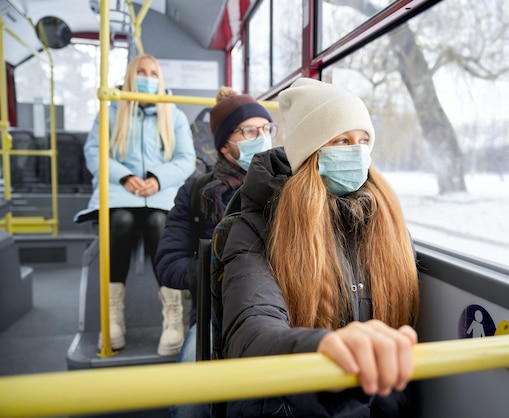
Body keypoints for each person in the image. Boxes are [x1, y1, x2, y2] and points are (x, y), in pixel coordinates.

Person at [220, 77, 420, 417]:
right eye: (342, 140)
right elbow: (251, 329)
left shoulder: (385, 223)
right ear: (310, 153)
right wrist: (324, 350)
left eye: (363, 141)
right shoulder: (256, 227)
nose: (356, 151)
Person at [155, 86, 275, 418]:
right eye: (249, 131)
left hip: (280, 311)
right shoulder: (196, 193)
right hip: (214, 314)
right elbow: (167, 263)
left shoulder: (289, 186)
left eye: (266, 129)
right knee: (192, 401)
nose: (261, 137)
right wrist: (217, 273)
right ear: (225, 144)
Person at [74, 54, 196, 356]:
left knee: (159, 223)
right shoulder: (112, 111)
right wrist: (125, 176)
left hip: (160, 194)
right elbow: (95, 152)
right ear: (130, 77)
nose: (147, 77)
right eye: (141, 72)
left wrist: (157, 179)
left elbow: (185, 160)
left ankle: (173, 316)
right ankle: (113, 315)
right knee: (122, 222)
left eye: (153, 73)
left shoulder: (175, 116)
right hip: (121, 193)